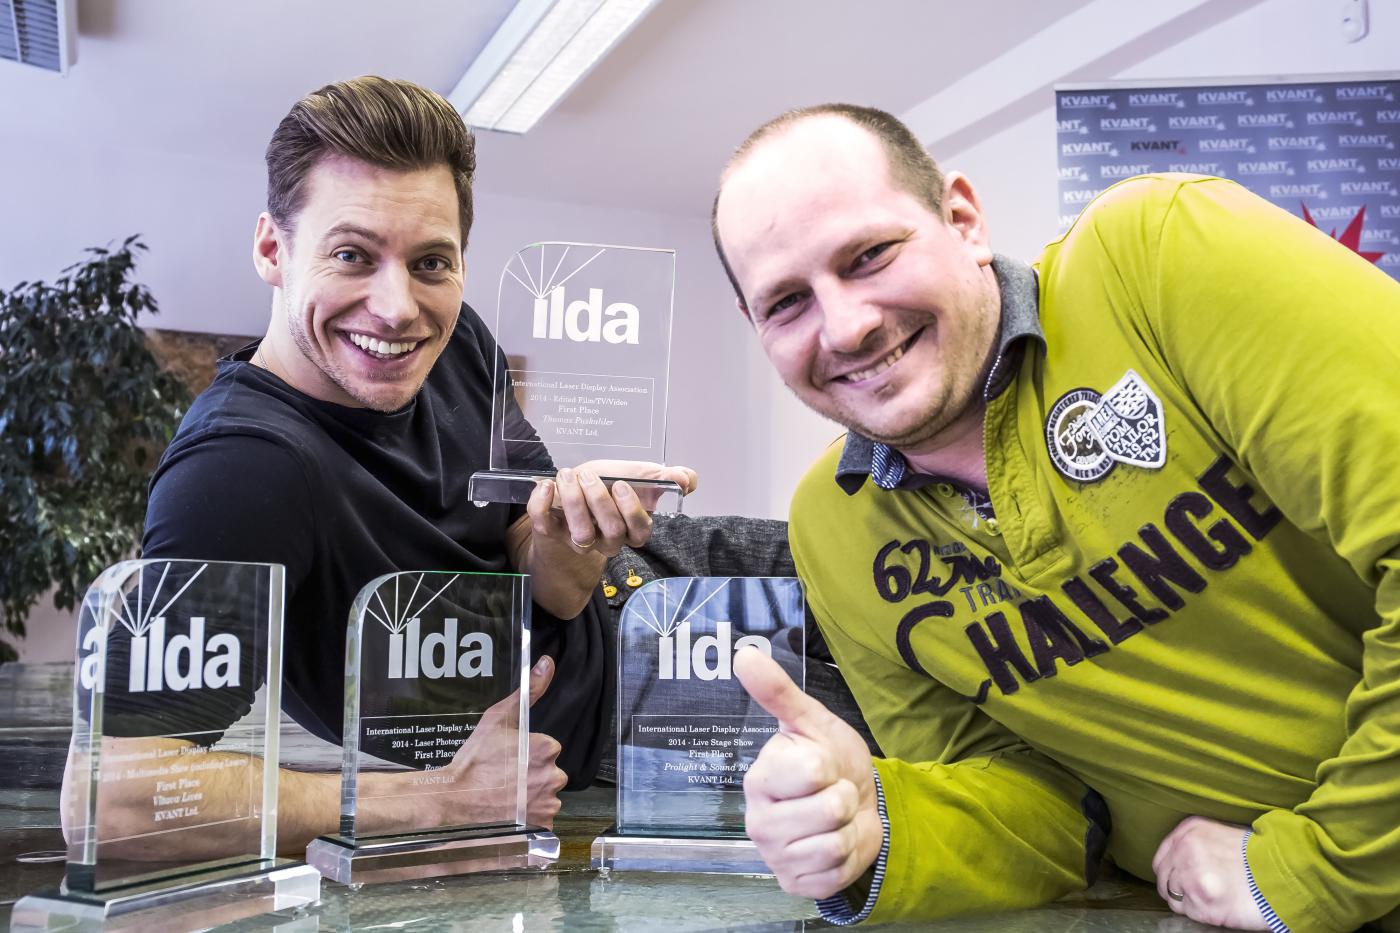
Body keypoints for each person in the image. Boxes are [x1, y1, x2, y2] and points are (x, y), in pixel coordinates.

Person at [711, 103, 1400, 932]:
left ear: (961, 219)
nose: (848, 326)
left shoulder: (1159, 253)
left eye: (869, 255)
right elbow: (1041, 807)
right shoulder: (833, 527)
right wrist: (880, 826)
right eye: (787, 302)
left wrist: (1316, 869)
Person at [60, 76, 695, 858]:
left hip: (658, 576)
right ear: (272, 249)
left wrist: (569, 534)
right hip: (634, 723)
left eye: (430, 262)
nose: (398, 308)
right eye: (352, 255)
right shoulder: (240, 471)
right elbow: (111, 799)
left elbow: (552, 586)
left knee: (841, 514)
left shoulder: (457, 339)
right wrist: (437, 801)